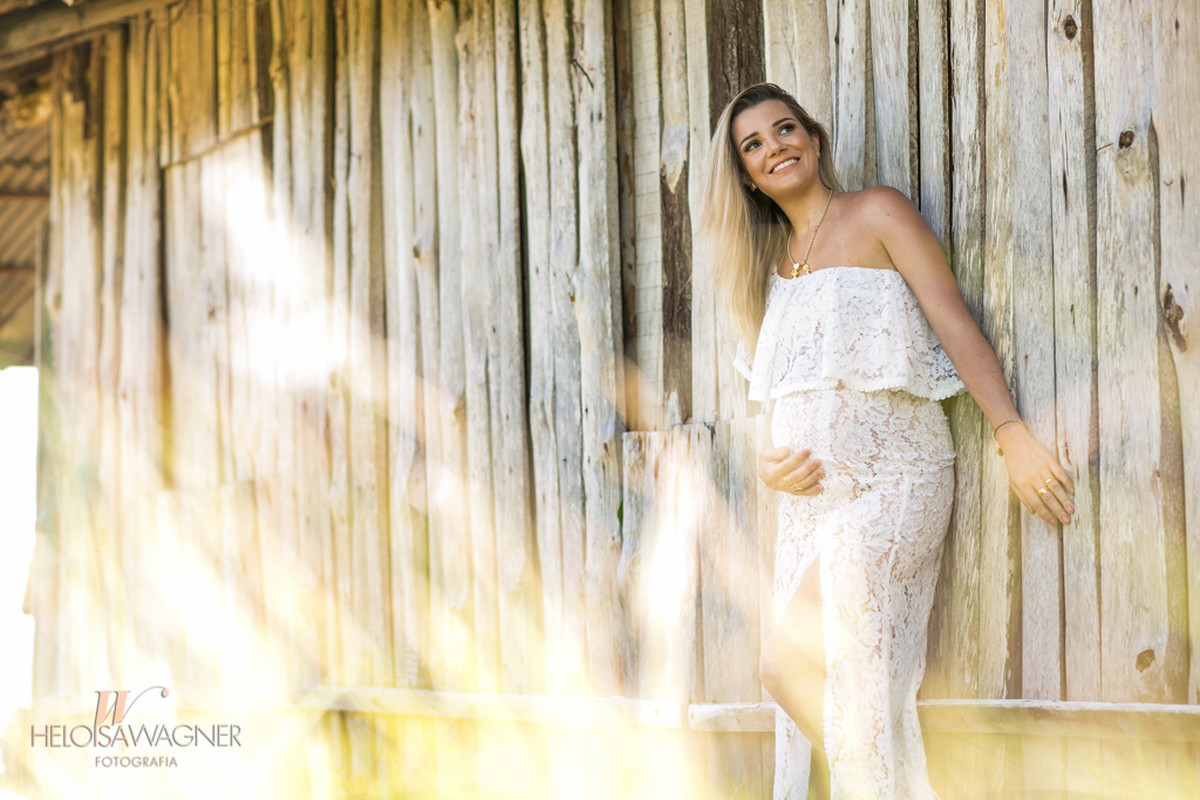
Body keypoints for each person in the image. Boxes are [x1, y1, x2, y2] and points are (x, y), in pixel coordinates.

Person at [698, 83, 1075, 800]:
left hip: (898, 481)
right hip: (810, 509)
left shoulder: (877, 213)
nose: (774, 146)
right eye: (754, 144)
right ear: (745, 173)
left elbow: (954, 323)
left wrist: (1011, 432)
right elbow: (780, 399)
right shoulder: (766, 267)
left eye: (784, 130)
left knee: (784, 667)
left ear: (813, 137)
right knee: (852, 685)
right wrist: (769, 467)